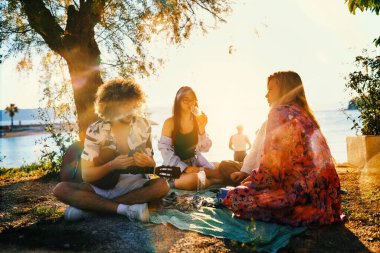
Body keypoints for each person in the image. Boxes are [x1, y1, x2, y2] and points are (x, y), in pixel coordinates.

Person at [223, 71, 342, 226]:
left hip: (301, 200)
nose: (266, 95)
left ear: (285, 89)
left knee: (234, 197)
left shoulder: (279, 112)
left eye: (271, 89)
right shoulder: (304, 115)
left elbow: (272, 167)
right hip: (328, 204)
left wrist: (251, 182)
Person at [53, 79, 169, 222]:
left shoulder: (143, 125)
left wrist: (149, 163)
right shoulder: (95, 130)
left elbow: (151, 168)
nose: (130, 111)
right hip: (102, 188)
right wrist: (111, 165)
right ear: (110, 106)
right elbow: (87, 175)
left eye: (133, 105)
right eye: (125, 106)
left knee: (162, 186)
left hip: (134, 186)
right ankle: (124, 209)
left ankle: (94, 208)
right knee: (61, 189)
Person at [158, 86, 222, 190]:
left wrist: (202, 128)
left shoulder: (197, 120)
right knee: (194, 179)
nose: (190, 103)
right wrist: (185, 168)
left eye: (192, 99)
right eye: (185, 99)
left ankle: (211, 180)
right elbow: (165, 151)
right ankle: (212, 182)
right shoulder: (170, 122)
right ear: (178, 102)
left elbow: (205, 149)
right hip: (174, 168)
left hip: (193, 164)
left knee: (220, 167)